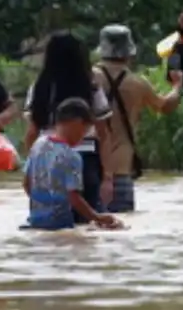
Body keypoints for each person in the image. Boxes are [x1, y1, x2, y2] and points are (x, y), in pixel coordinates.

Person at [23, 31, 113, 221]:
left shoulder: (39, 87)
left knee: (51, 219)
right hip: (86, 157)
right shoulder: (91, 87)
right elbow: (104, 135)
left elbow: (31, 133)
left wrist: (32, 168)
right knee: (87, 222)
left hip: (46, 158)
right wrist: (108, 177)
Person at [93, 24, 182, 213]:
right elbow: (165, 106)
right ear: (129, 53)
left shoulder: (89, 77)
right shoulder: (138, 83)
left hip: (89, 170)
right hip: (121, 171)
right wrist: (177, 87)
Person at [23, 98, 123, 231]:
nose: (83, 137)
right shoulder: (71, 156)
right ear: (77, 123)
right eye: (85, 131)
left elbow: (26, 183)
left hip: (35, 221)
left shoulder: (38, 145)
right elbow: (73, 197)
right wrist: (96, 217)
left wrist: (42, 203)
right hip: (60, 224)